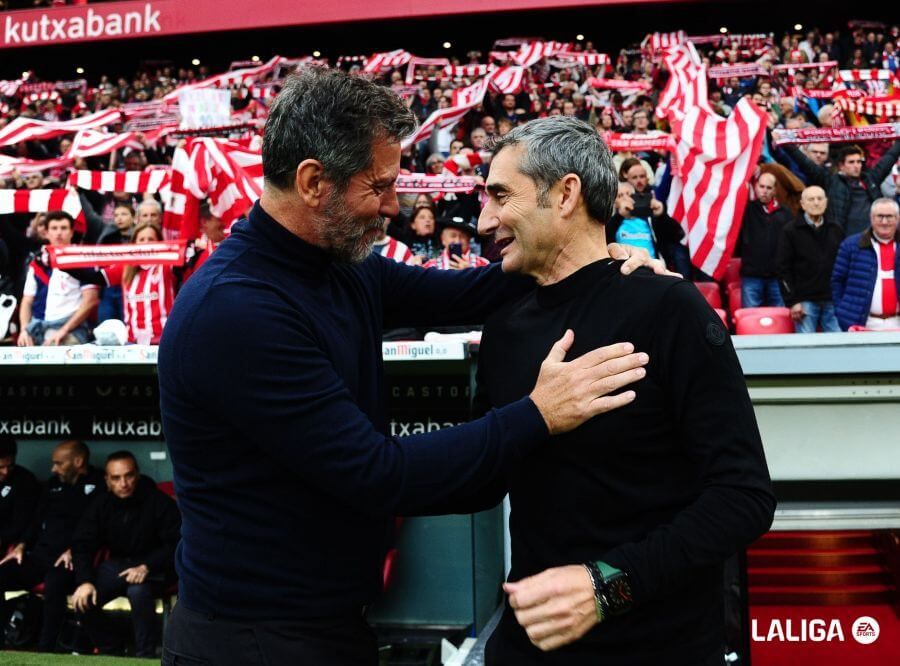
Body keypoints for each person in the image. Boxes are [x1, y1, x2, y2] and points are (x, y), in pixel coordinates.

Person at [158, 67, 660, 666]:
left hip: (322, 626)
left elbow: (466, 296)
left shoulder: (338, 263)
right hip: (251, 641)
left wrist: (590, 259)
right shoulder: (237, 311)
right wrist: (538, 414)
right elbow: (379, 473)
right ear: (314, 181)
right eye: (380, 186)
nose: (395, 206)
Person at [473, 117, 775, 665]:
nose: (483, 219)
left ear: (566, 194)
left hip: (660, 649)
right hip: (529, 646)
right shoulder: (502, 327)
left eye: (499, 196)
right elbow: (478, 479)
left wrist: (606, 587)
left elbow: (743, 498)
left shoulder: (669, 309)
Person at [71, 451, 181, 657]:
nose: (123, 483)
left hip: (155, 568)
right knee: (82, 599)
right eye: (116, 478)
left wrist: (147, 566)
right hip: (118, 565)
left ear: (137, 475)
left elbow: (176, 543)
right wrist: (84, 581)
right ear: (107, 480)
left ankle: (144, 656)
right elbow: (82, 544)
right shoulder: (101, 504)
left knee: (138, 592)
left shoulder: (158, 502)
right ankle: (111, 649)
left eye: (128, 475)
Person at [0, 441, 104, 653]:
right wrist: (21, 545)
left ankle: (45, 650)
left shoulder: (99, 485)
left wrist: (74, 550)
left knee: (54, 582)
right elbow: (36, 521)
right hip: (40, 556)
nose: (53, 468)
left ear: (78, 461)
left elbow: (101, 528)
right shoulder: (52, 485)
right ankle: (5, 638)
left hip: (72, 559)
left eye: (58, 463)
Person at [779, 141, 900, 235]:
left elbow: (889, 157)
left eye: (859, 162)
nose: (856, 166)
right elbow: (805, 163)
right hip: (845, 240)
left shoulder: (870, 179)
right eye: (851, 162)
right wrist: (786, 144)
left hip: (873, 237)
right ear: (841, 166)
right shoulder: (831, 181)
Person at [16, 211, 100, 346]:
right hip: (38, 330)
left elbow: (91, 300)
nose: (59, 233)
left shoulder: (83, 259)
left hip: (71, 331)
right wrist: (24, 330)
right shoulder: (37, 262)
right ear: (46, 233)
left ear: (72, 232)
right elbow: (27, 301)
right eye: (54, 228)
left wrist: (63, 330)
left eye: (64, 228)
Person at [775, 186, 844, 332]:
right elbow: (783, 269)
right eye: (811, 199)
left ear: (826, 202)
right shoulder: (790, 231)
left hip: (832, 300)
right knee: (806, 349)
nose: (816, 203)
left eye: (820, 199)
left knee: (839, 348)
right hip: (804, 302)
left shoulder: (836, 229)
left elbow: (842, 266)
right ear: (802, 204)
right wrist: (793, 301)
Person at [832, 198, 900, 330]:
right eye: (880, 216)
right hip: (864, 324)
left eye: (889, 217)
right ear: (871, 218)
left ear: (897, 219)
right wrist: (843, 314)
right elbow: (837, 281)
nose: (884, 222)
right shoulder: (851, 245)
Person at [739, 173, 793, 307]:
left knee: (781, 323)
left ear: (774, 190)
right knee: (750, 322)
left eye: (768, 188)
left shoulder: (785, 214)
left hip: (777, 278)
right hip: (752, 276)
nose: (764, 191)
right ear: (755, 187)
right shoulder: (746, 210)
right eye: (761, 186)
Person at [0, 435, 41, 552]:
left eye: (10, 466)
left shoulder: (24, 480)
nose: (6, 472)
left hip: (7, 542)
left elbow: (21, 525)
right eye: (0, 467)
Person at [423, 216, 489, 270]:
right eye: (453, 236)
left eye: (462, 236)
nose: (457, 241)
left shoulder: (483, 265)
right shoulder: (429, 267)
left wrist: (470, 273)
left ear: (468, 240)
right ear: (443, 239)